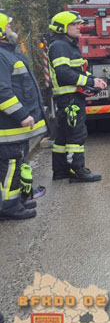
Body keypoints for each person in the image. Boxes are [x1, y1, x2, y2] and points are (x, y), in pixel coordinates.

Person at [48, 11, 106, 183]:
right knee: (76, 134)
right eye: (74, 24)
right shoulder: (60, 46)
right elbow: (63, 73)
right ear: (62, 27)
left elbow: (75, 70)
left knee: (64, 135)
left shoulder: (67, 45)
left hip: (69, 98)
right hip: (70, 99)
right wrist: (90, 82)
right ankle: (77, 170)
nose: (78, 27)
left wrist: (91, 80)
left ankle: (60, 171)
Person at [0, 12, 48, 220]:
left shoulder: (7, 52)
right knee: (10, 167)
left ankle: (16, 200)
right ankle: (9, 207)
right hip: (9, 127)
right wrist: (21, 115)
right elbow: (2, 91)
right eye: (8, 26)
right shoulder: (1, 55)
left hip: (13, 127)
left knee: (15, 165)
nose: (12, 29)